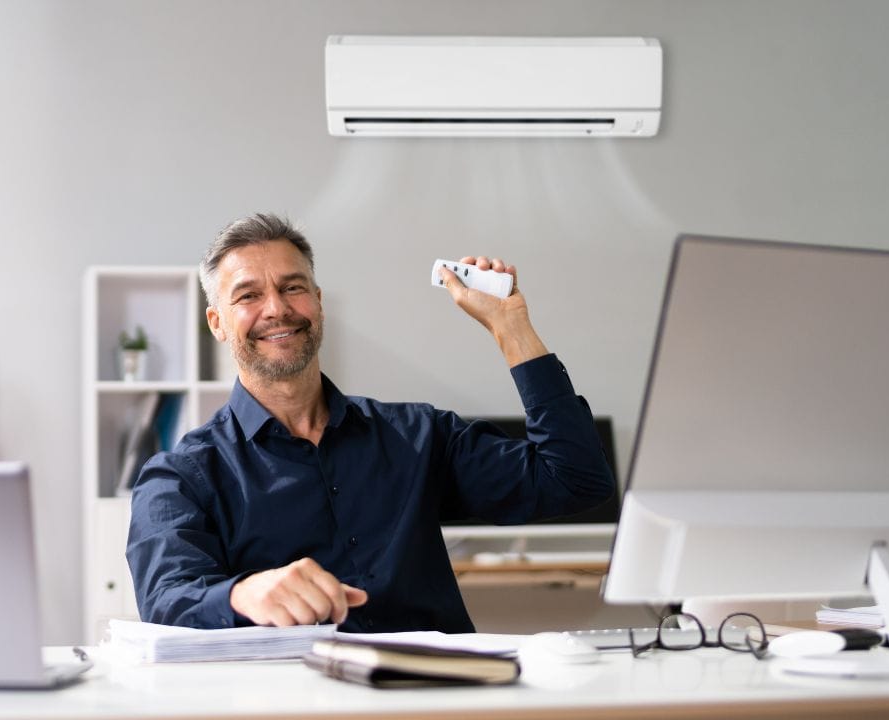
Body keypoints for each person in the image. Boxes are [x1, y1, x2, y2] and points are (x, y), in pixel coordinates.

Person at [126, 212, 614, 633]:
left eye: (292, 287)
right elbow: (166, 600)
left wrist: (512, 329)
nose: (276, 308)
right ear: (217, 323)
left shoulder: (419, 436)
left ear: (316, 301)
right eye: (248, 295)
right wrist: (244, 595)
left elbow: (575, 479)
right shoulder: (181, 476)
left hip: (435, 698)